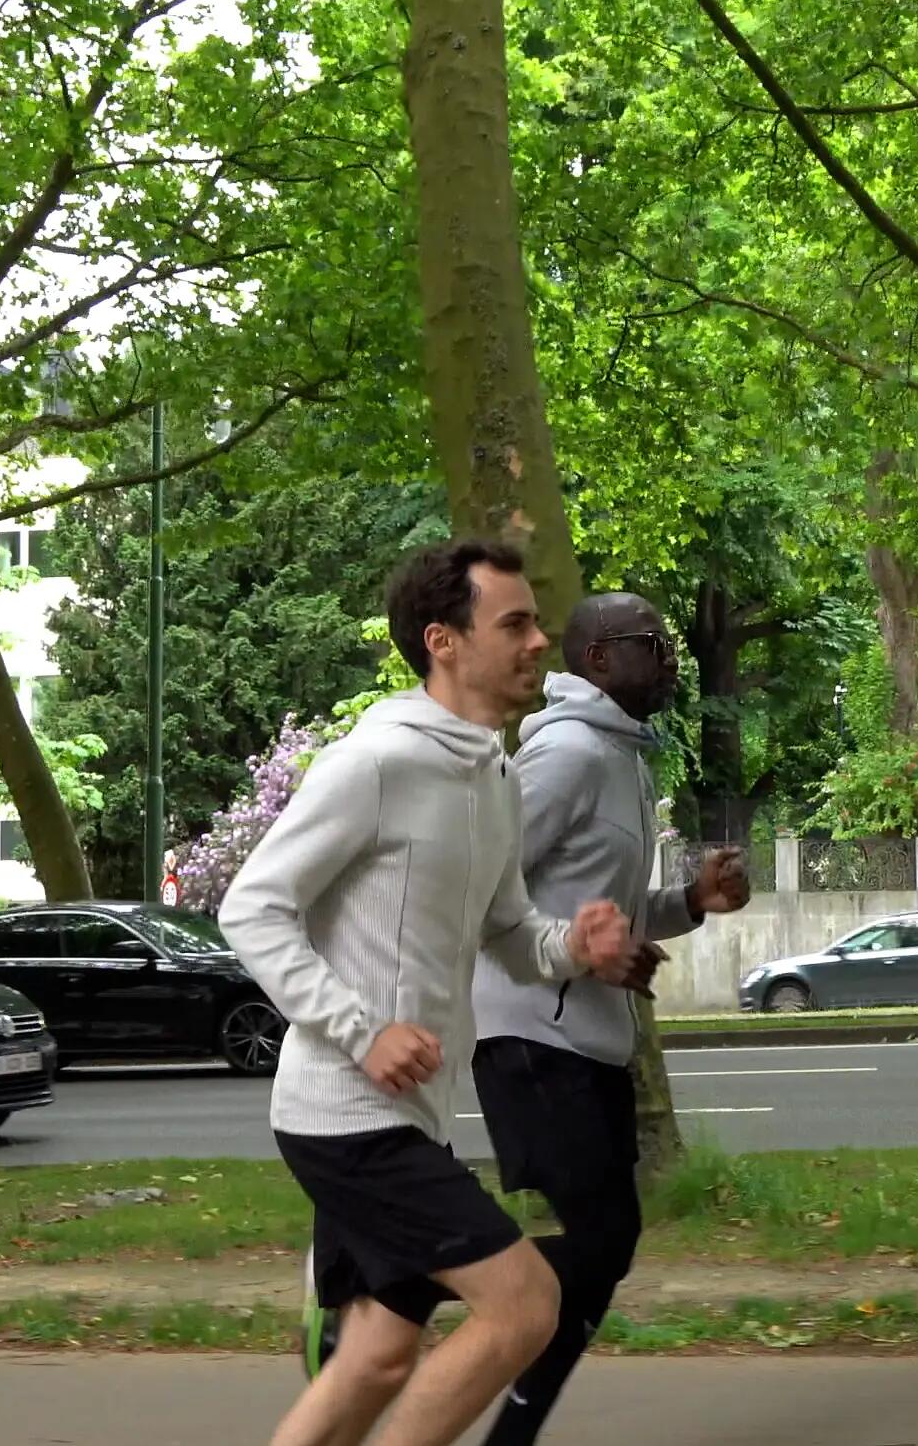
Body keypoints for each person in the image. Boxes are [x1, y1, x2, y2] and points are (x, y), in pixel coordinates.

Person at [219, 540, 637, 1446]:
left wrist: (577, 946)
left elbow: (508, 932)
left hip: (409, 1116)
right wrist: (361, 1030)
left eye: (536, 620)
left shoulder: (491, 775)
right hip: (344, 1112)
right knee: (525, 1304)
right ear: (443, 641)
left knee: (374, 1352)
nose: (539, 641)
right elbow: (250, 908)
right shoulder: (377, 762)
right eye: (515, 623)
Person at [470, 592, 752, 1446]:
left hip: (586, 1037)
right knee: (601, 1242)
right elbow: (482, 890)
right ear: (598, 659)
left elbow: (603, 907)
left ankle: (503, 1420)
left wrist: (692, 901)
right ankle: (397, 1274)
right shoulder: (565, 754)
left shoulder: (623, 758)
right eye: (652, 644)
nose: (670, 659)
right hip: (529, 1033)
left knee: (602, 1251)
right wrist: (583, 953)